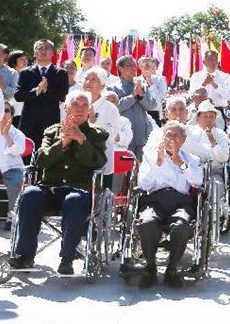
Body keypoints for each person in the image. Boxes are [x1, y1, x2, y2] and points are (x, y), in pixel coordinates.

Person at [8, 90, 108, 274]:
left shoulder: (96, 134)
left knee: (74, 201)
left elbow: (98, 162)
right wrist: (62, 143)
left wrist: (81, 140)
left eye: (84, 105)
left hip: (79, 189)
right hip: (50, 188)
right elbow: (41, 160)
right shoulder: (52, 131)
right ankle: (25, 256)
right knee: (30, 195)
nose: (79, 109)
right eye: (75, 105)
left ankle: (67, 257)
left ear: (89, 111)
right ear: (66, 108)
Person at [133, 120, 203, 288]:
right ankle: (150, 268)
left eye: (176, 135)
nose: (172, 138)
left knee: (181, 225)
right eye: (168, 135)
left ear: (184, 139)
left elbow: (198, 181)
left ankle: (172, 270)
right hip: (154, 200)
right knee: (147, 223)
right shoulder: (150, 158)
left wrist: (181, 163)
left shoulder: (191, 159)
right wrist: (158, 164)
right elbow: (143, 185)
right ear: (162, 138)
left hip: (180, 201)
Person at [14, 39, 69, 149]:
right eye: (39, 49)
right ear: (34, 53)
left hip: (50, 121)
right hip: (29, 121)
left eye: (47, 48)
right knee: (27, 155)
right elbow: (18, 96)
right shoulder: (25, 73)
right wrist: (36, 91)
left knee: (48, 154)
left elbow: (62, 96)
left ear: (53, 52)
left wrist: (46, 90)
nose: (43, 51)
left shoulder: (61, 73)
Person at [82, 66, 130, 182]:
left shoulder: (110, 108)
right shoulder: (77, 104)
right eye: (86, 79)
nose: (87, 83)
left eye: (93, 79)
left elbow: (113, 134)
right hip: (79, 158)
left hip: (101, 159)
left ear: (103, 85)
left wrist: (93, 123)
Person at [110, 56, 157, 161]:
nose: (134, 68)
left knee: (140, 172)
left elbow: (151, 106)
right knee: (123, 173)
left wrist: (141, 96)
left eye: (134, 65)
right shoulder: (113, 88)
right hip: (124, 138)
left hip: (142, 137)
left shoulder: (141, 85)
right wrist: (133, 96)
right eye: (130, 65)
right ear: (120, 68)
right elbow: (115, 108)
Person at [0, 98, 27, 230]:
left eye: (7, 110)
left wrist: (6, 135)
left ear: (12, 114)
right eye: (0, 110)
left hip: (12, 168)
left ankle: (12, 216)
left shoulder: (18, 134)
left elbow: (18, 150)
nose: (3, 113)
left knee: (16, 181)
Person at [139, 56, 168, 126]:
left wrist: (150, 82)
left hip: (156, 114)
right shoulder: (135, 80)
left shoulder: (160, 79)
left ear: (152, 65)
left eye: (149, 63)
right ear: (139, 66)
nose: (146, 65)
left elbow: (160, 98)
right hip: (140, 115)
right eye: (144, 63)